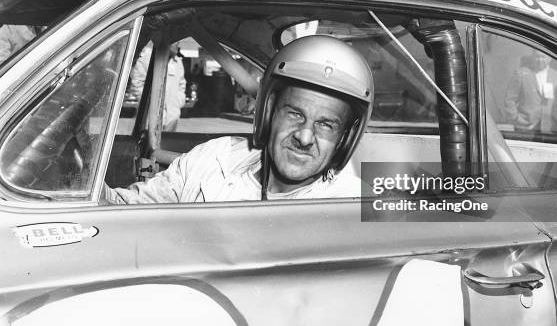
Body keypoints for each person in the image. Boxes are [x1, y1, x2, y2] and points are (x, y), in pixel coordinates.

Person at [104, 35, 374, 204]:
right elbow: (122, 210)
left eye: (326, 125)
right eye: (294, 114)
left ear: (345, 139)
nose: (304, 137)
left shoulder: (357, 204)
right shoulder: (213, 160)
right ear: (268, 114)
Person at [126, 42, 186, 131]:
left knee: (168, 142)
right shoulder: (147, 58)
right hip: (150, 116)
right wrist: (148, 103)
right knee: (148, 142)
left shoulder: (178, 62)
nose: (178, 44)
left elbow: (181, 85)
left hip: (172, 116)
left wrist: (178, 102)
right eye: (176, 41)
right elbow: (137, 83)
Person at [504, 49, 557, 136]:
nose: (540, 60)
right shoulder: (521, 73)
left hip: (549, 128)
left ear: (549, 58)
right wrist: (516, 119)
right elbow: (509, 100)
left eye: (543, 57)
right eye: (537, 56)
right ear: (532, 57)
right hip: (525, 128)